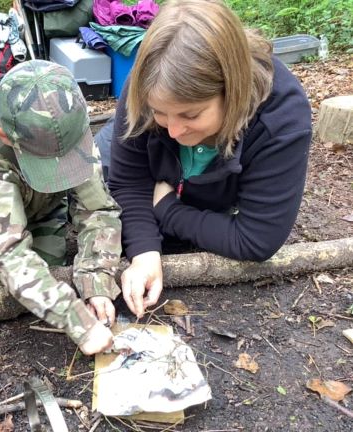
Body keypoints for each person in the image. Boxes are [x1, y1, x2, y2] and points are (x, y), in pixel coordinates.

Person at [101, 0, 312, 318]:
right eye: (160, 112)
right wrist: (144, 251)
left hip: (205, 185)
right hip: (135, 161)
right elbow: (129, 180)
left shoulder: (281, 120)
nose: (172, 130)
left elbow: (257, 238)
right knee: (100, 176)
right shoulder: (150, 82)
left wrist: (167, 210)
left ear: (233, 91)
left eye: (191, 114)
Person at [0, 60, 122, 355]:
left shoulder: (74, 135)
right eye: (47, 163)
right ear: (6, 137)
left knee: (49, 267)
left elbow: (98, 211)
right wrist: (78, 322)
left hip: (43, 206)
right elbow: (9, 255)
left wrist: (97, 281)